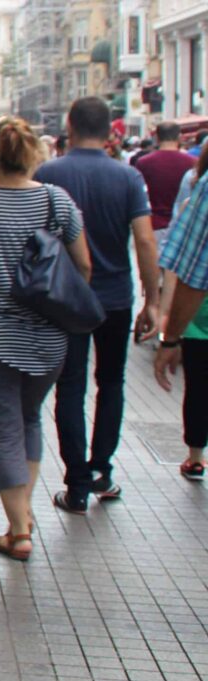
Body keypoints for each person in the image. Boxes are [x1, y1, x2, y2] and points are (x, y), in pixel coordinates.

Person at [0, 118, 92, 562]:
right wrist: (65, 306)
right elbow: (84, 265)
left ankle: (20, 531)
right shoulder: (56, 202)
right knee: (29, 420)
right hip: (49, 338)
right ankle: (18, 518)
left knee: (3, 429)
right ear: (32, 156)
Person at [35, 97, 162, 513]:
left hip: (65, 299)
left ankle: (76, 483)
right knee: (111, 383)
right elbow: (144, 240)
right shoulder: (128, 177)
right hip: (115, 298)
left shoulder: (49, 173)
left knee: (70, 387)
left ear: (69, 127)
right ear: (110, 132)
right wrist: (153, 300)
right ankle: (103, 469)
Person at [153, 147, 208, 479]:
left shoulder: (203, 188)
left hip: (201, 319)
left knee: (198, 384)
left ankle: (196, 454)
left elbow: (191, 275)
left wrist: (170, 337)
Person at [135, 122, 197, 252]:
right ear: (179, 137)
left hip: (153, 225)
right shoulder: (192, 162)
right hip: (182, 226)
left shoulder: (143, 163)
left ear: (157, 138)